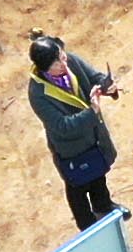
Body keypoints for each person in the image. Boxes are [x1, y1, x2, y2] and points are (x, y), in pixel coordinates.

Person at [26, 35, 124, 232]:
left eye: (62, 56)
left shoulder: (70, 61)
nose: (64, 62)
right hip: (70, 148)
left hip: (93, 137)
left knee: (98, 174)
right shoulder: (38, 93)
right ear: (45, 68)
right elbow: (62, 126)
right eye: (58, 62)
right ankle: (88, 227)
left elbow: (93, 77)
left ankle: (104, 206)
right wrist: (92, 112)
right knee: (77, 186)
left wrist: (106, 86)